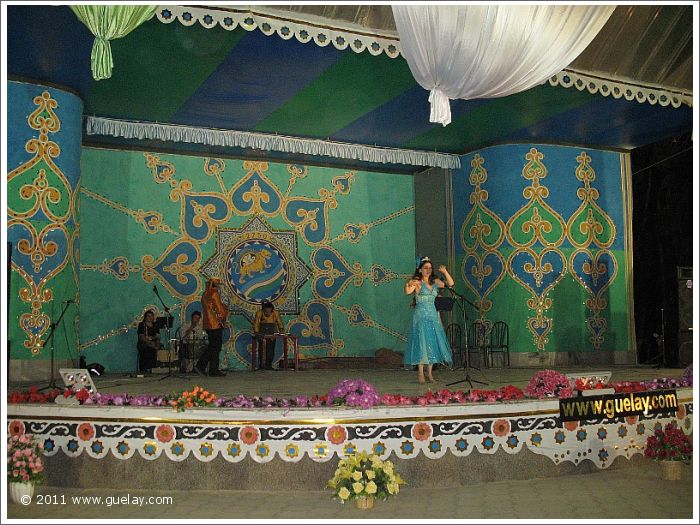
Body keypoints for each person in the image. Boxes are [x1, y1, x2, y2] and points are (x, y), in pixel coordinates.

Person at [404, 256, 454, 384]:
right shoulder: (418, 282)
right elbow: (408, 291)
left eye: (430, 268)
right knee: (421, 343)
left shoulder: (435, 282)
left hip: (432, 315)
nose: (428, 270)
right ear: (420, 270)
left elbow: (451, 284)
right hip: (420, 316)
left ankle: (430, 373)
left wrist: (444, 272)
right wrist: (409, 284)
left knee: (432, 343)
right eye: (425, 268)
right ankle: (421, 373)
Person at [196, 278, 229, 377]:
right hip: (215, 323)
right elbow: (220, 309)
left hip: (207, 323)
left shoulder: (205, 294)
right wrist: (226, 310)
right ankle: (201, 366)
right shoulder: (214, 294)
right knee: (215, 347)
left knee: (213, 346)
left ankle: (213, 370)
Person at [253, 300, 284, 370]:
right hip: (262, 333)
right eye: (266, 312)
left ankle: (269, 365)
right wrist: (257, 333)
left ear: (272, 310)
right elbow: (256, 324)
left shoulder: (276, 313)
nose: (267, 313)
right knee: (261, 349)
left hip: (272, 333)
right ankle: (262, 365)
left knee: (271, 349)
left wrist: (281, 331)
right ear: (263, 309)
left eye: (269, 312)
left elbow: (280, 322)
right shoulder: (259, 313)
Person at [137, 309, 160, 374]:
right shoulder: (142, 325)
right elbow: (141, 336)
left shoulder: (155, 325)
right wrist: (149, 343)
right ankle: (144, 369)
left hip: (154, 344)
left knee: (154, 349)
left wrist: (157, 345)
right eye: (148, 316)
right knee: (147, 349)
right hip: (144, 344)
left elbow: (158, 337)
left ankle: (152, 368)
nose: (150, 318)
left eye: (151, 316)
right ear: (145, 317)